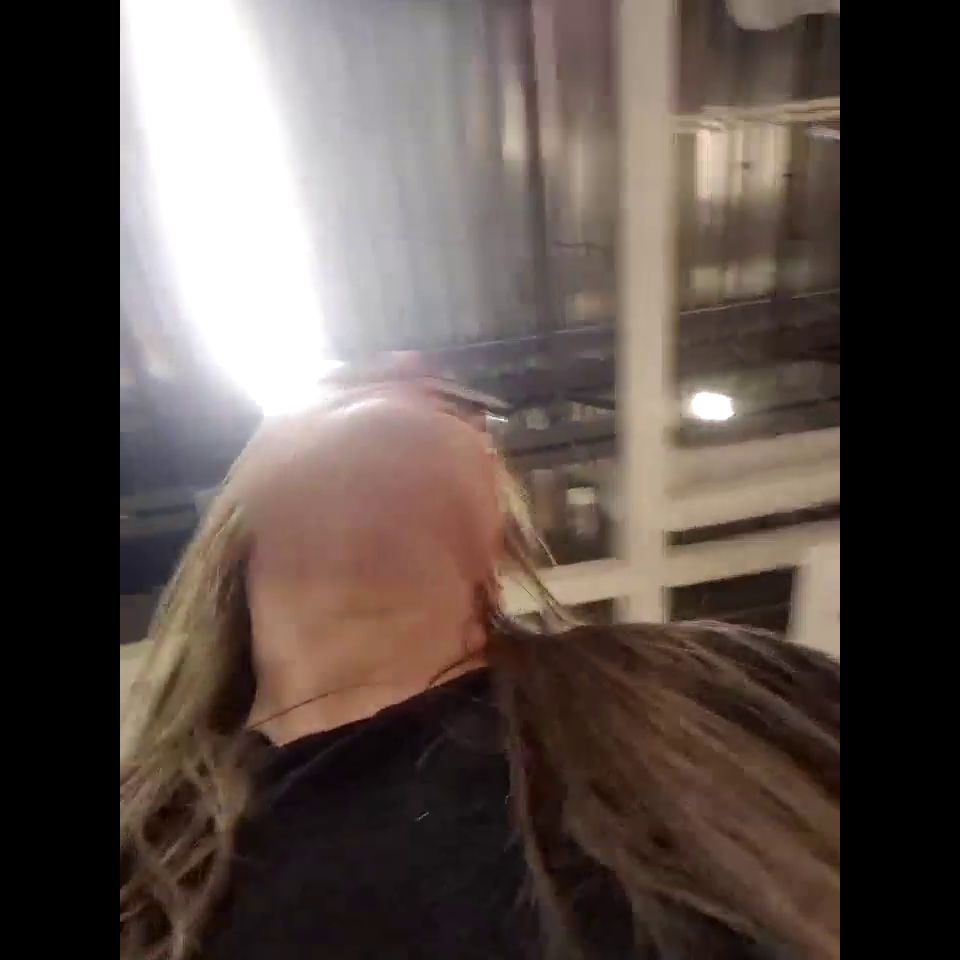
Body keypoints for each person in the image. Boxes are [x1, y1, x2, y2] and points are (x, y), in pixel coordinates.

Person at [120, 364, 840, 960]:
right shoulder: (142, 844)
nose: (409, 372)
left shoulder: (717, 685)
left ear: (496, 545)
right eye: (342, 388)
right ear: (230, 513)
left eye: (455, 410)